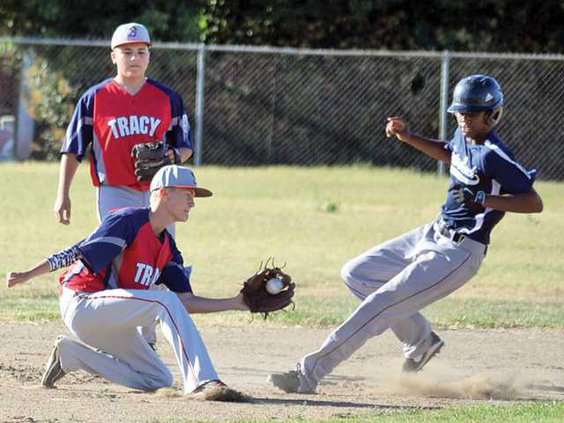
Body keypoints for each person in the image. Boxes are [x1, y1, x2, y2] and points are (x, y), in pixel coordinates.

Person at [268, 74, 544, 394]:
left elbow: (533, 202)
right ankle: (420, 341)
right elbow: (450, 151)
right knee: (357, 274)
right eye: (460, 113)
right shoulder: (463, 136)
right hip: (432, 232)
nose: (464, 120)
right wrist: (409, 137)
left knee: (380, 305)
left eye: (472, 115)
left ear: (492, 115)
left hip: (458, 253)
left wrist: (484, 200)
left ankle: (307, 374)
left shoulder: (496, 154)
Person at [7, 165, 248, 402]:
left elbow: (185, 302)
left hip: (113, 319)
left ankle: (71, 354)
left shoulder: (168, 248)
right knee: (164, 301)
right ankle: (202, 381)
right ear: (164, 193)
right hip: (82, 303)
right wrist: (29, 274)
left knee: (158, 379)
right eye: (187, 194)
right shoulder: (128, 221)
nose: (192, 203)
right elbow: (76, 252)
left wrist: (238, 303)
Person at [53, 22, 193, 226]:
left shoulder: (168, 98)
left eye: (141, 51)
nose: (134, 58)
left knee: (159, 254)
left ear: (149, 56)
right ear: (113, 57)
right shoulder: (94, 98)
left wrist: (175, 155)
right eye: (127, 52)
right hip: (114, 192)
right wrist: (62, 195)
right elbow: (73, 150)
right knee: (119, 254)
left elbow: (186, 146)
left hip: (160, 190)